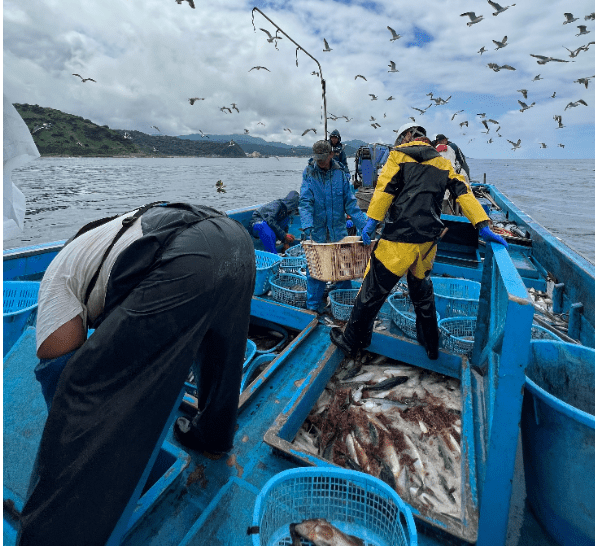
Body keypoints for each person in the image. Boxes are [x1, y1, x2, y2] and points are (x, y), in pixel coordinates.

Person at [18, 201, 255, 546]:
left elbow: (59, 365)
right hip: (236, 241)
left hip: (190, 258)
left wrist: (79, 418)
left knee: (82, 386)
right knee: (222, 350)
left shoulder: (55, 278)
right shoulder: (110, 236)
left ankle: (52, 536)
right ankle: (213, 438)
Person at [330, 125, 507, 361]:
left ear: (406, 137)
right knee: (422, 295)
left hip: (399, 240)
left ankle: (353, 341)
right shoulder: (443, 162)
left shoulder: (398, 155)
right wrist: (482, 225)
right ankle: (431, 345)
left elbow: (384, 191)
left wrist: (371, 222)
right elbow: (463, 191)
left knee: (371, 292)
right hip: (427, 243)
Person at [300, 140, 369, 312]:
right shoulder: (309, 173)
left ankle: (342, 304)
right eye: (318, 159)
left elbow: (351, 203)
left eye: (323, 158)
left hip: (338, 230)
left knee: (343, 267)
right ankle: (313, 306)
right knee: (316, 270)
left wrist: (363, 225)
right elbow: (305, 201)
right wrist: (307, 224)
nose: (320, 162)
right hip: (317, 231)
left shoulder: (340, 174)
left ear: (331, 154)